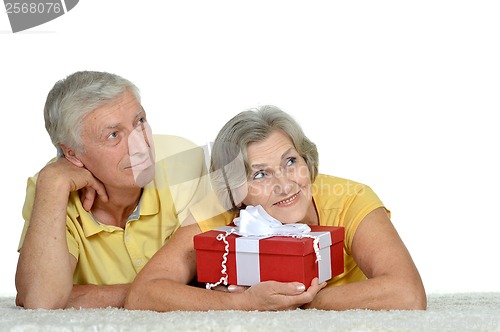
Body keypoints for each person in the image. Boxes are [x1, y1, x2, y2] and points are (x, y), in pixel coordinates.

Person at [124, 105, 427, 311]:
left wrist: (299, 301)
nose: (284, 185)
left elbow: (407, 293)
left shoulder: (351, 198)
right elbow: (144, 293)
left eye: (290, 161)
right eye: (260, 174)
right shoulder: (218, 211)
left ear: (306, 159)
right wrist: (243, 304)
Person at [15, 71, 209, 309]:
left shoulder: (183, 162)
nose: (141, 146)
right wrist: (51, 184)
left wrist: (79, 297)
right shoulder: (51, 187)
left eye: (139, 122)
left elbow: (213, 282)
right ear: (71, 153)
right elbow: (41, 300)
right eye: (114, 135)